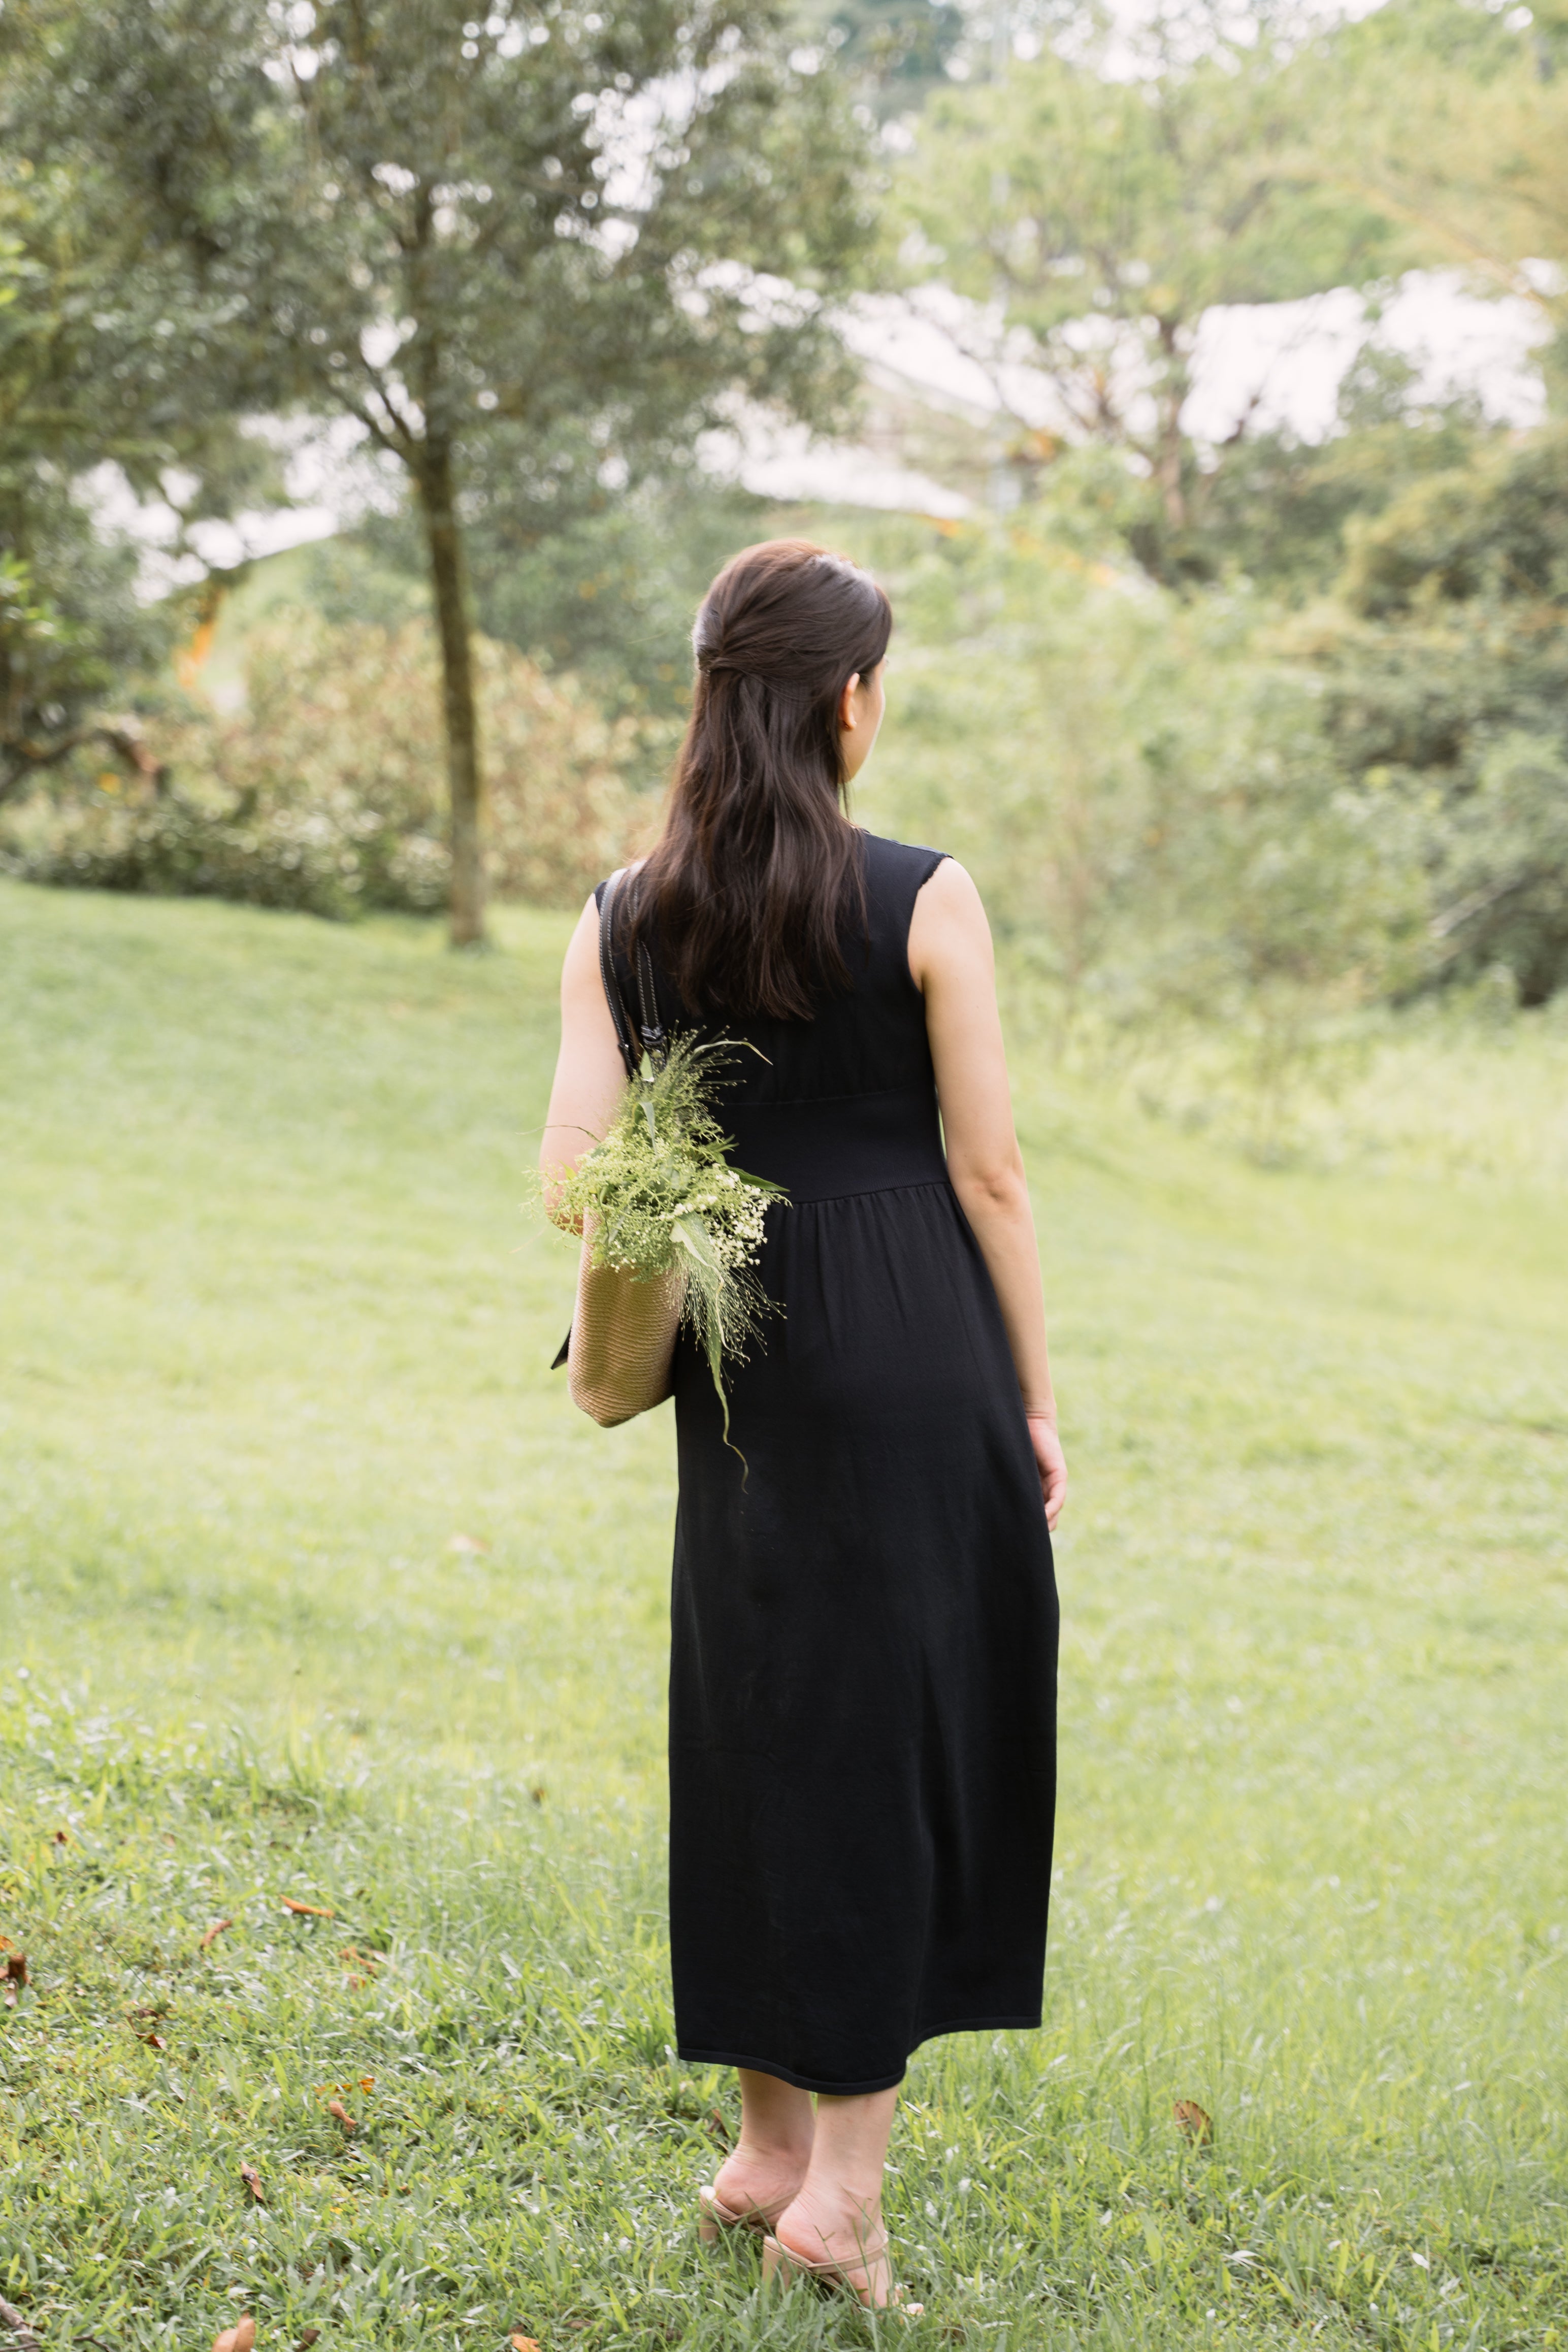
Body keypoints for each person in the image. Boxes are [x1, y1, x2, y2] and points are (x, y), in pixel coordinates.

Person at [540, 539, 1065, 2313]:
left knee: (758, 1715)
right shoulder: (926, 893)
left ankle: (767, 2150)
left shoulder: (623, 912)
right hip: (915, 1338)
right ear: (849, 701)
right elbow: (988, 1168)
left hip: (740, 1361)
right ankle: (838, 2196)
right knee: (891, 1736)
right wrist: (1039, 1396)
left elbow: (580, 1175)